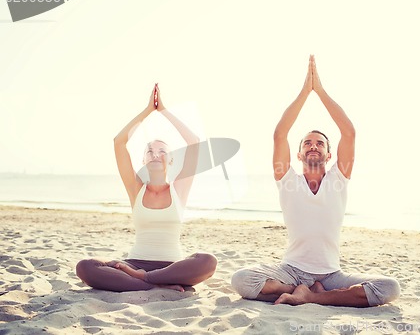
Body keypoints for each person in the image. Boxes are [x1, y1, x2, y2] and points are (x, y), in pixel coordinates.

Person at [231, 56, 400, 307]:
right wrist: (304, 92)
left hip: (331, 275)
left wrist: (319, 91)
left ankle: (312, 296)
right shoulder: (287, 180)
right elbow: (280, 134)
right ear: (298, 154)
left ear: (329, 155)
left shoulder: (339, 178)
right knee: (241, 280)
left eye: (320, 143)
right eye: (307, 143)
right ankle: (296, 290)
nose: (313, 146)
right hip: (291, 270)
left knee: (388, 287)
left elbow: (349, 132)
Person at [76, 84, 217, 292]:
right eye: (150, 151)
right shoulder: (136, 189)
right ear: (143, 160)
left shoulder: (179, 189)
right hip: (134, 264)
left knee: (207, 261)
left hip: (172, 267)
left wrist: (163, 110)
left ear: (170, 161)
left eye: (162, 151)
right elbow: (119, 142)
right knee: (85, 266)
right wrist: (147, 111)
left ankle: (147, 280)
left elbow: (193, 141)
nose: (155, 154)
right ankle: (154, 282)